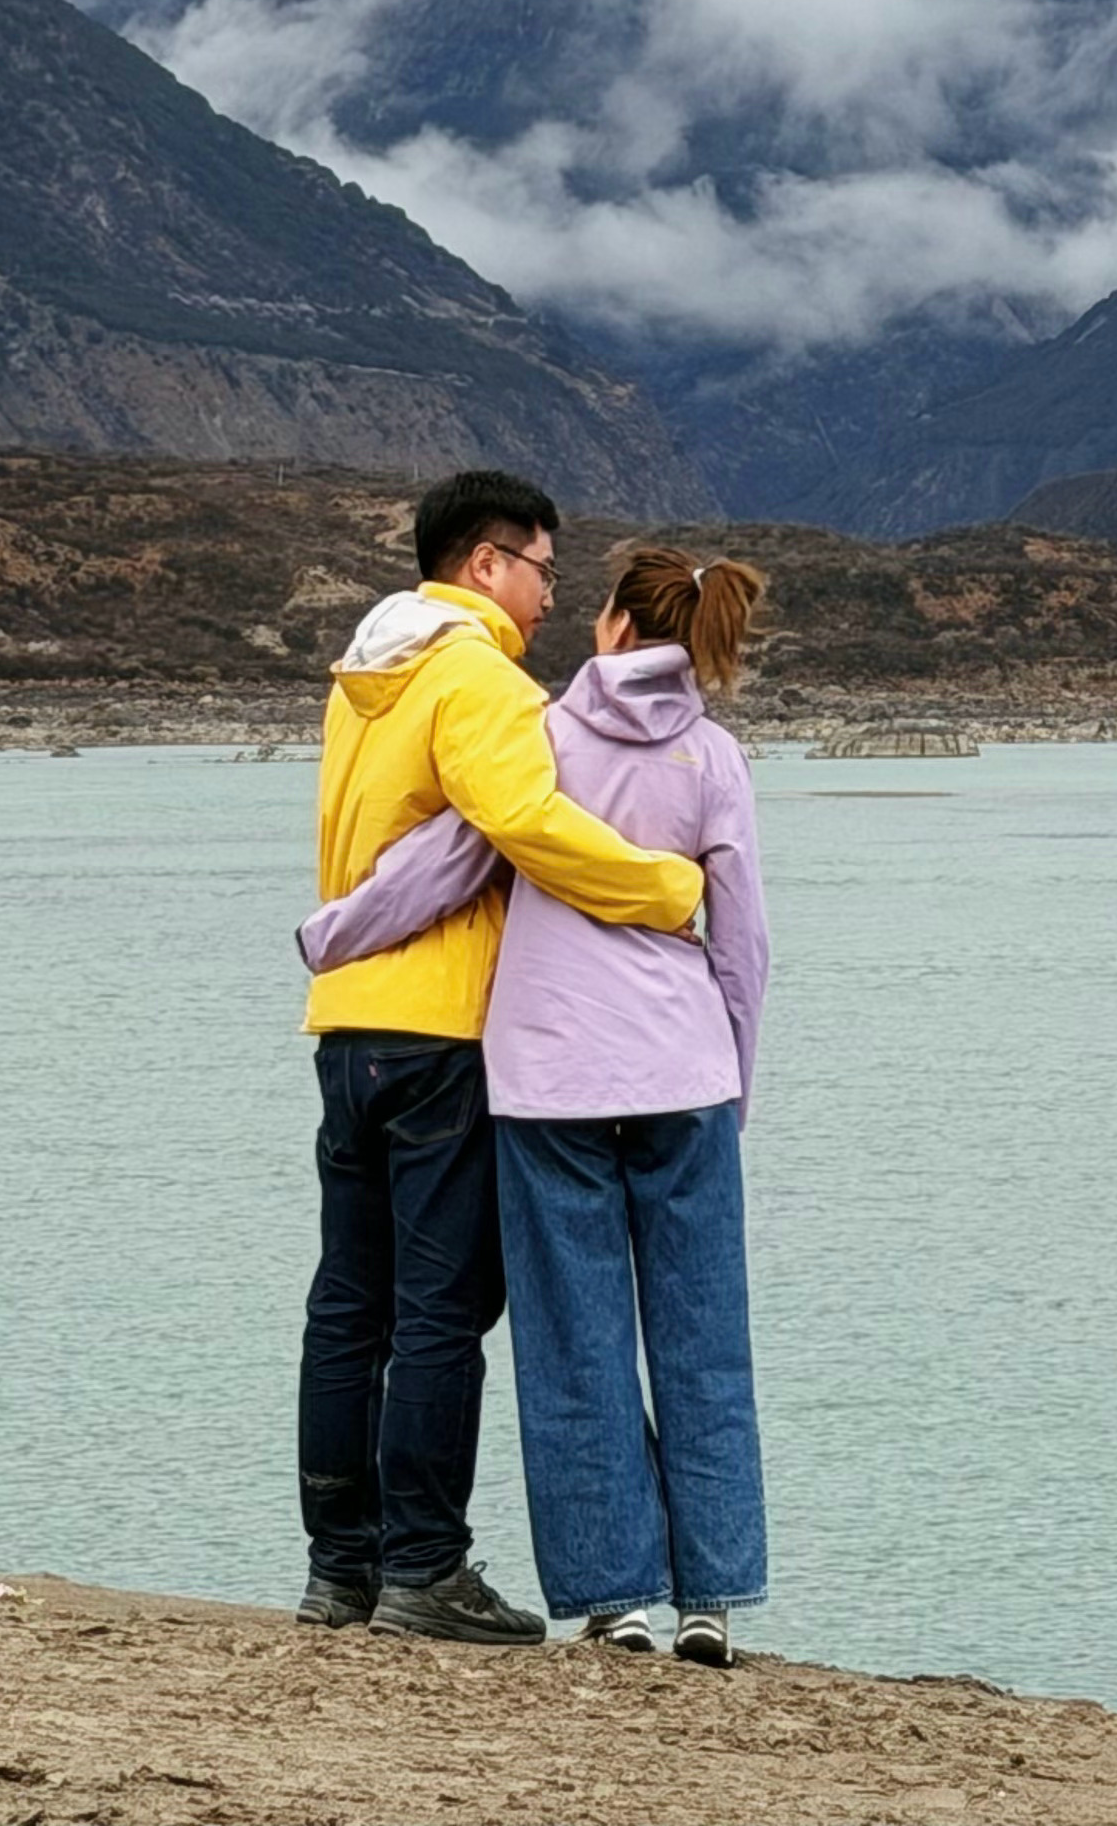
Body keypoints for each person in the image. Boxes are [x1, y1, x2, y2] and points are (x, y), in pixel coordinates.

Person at [301, 543, 772, 1665]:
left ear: (611, 625)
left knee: (576, 1343)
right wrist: (735, 1079)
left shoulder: (544, 734)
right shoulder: (715, 758)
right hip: (686, 1077)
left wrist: (332, 936)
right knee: (703, 1338)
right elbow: (744, 943)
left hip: (550, 1082)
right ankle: (709, 1593)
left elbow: (445, 865)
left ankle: (618, 1599)